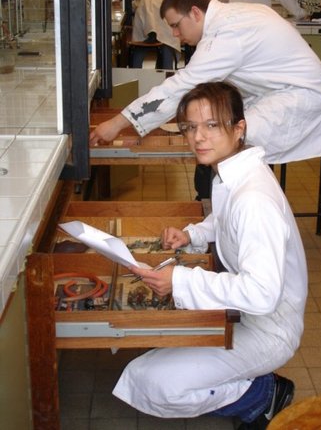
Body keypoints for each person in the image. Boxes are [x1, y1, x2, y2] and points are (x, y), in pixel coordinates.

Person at [112, 81, 308, 429]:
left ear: (239, 128)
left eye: (212, 125)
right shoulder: (234, 172)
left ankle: (262, 394)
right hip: (244, 310)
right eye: (190, 127)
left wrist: (180, 280)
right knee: (152, 359)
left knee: (152, 382)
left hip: (268, 328)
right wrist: (192, 234)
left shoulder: (254, 199)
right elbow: (224, 219)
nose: (198, 137)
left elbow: (262, 293)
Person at [90, 0, 321, 194]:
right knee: (219, 136)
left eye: (176, 25)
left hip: (300, 97)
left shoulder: (227, 33)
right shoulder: (230, 17)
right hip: (278, 92)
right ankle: (215, 207)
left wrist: (117, 123)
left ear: (195, 13)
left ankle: (224, 207)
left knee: (225, 142)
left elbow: (179, 88)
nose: (175, 34)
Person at [130, 0, 186, 69]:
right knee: (167, 43)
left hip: (145, 5)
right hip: (162, 7)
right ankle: (166, 72)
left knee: (141, 43)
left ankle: (134, 72)